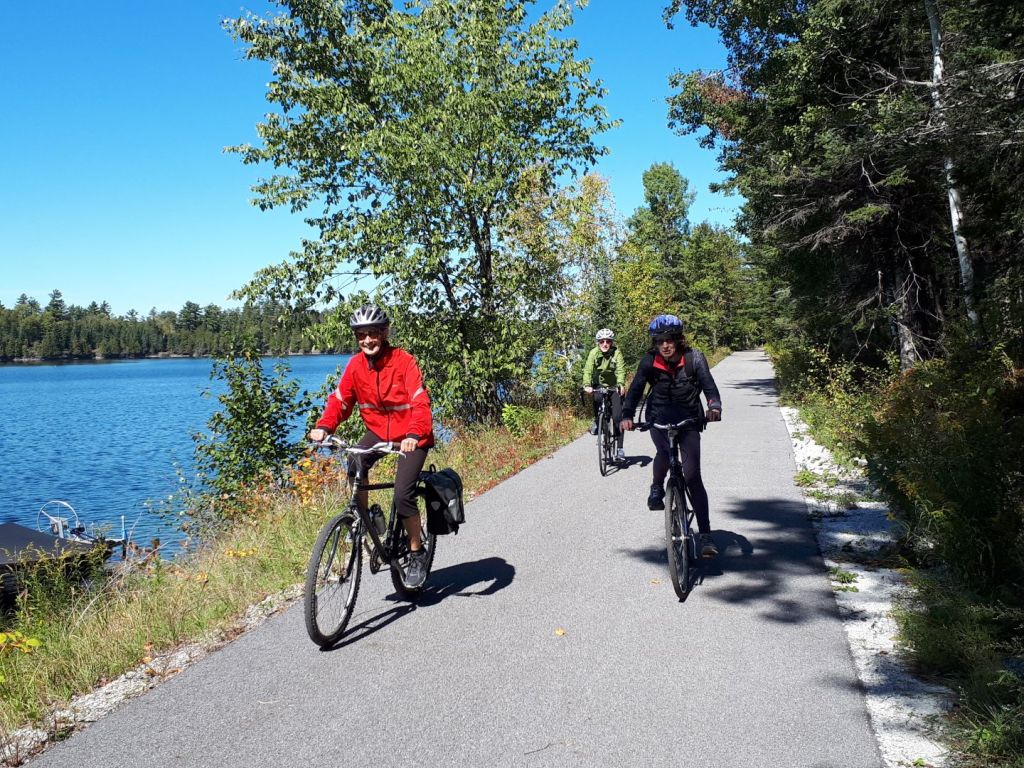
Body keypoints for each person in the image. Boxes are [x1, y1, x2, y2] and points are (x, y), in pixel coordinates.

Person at [307, 305, 435, 587]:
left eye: (373, 333)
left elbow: (420, 402)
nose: (367, 340)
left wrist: (414, 434)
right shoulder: (355, 366)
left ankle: (416, 552)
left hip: (412, 436)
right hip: (378, 433)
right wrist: (325, 427)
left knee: (402, 494)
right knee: (354, 462)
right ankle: (362, 520)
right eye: (361, 335)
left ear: (384, 332)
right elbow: (340, 401)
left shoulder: (404, 362)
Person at [620, 314, 722, 557]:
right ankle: (657, 486)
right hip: (659, 418)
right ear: (654, 343)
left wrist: (714, 406)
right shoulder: (649, 361)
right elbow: (635, 390)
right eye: (659, 341)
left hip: (689, 420)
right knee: (664, 453)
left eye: (670, 340)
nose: (665, 345)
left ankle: (705, 535)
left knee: (693, 475)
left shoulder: (694, 358)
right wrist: (627, 415)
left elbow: (709, 387)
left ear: (678, 339)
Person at [582, 328, 626, 461]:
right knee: (597, 397)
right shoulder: (593, 353)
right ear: (598, 342)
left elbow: (620, 369)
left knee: (617, 417)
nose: (605, 344)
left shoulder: (617, 353)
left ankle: (620, 449)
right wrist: (587, 385)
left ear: (611, 343)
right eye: (602, 341)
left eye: (608, 341)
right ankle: (598, 421)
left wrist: (620, 384)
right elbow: (588, 369)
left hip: (614, 386)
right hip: (599, 384)